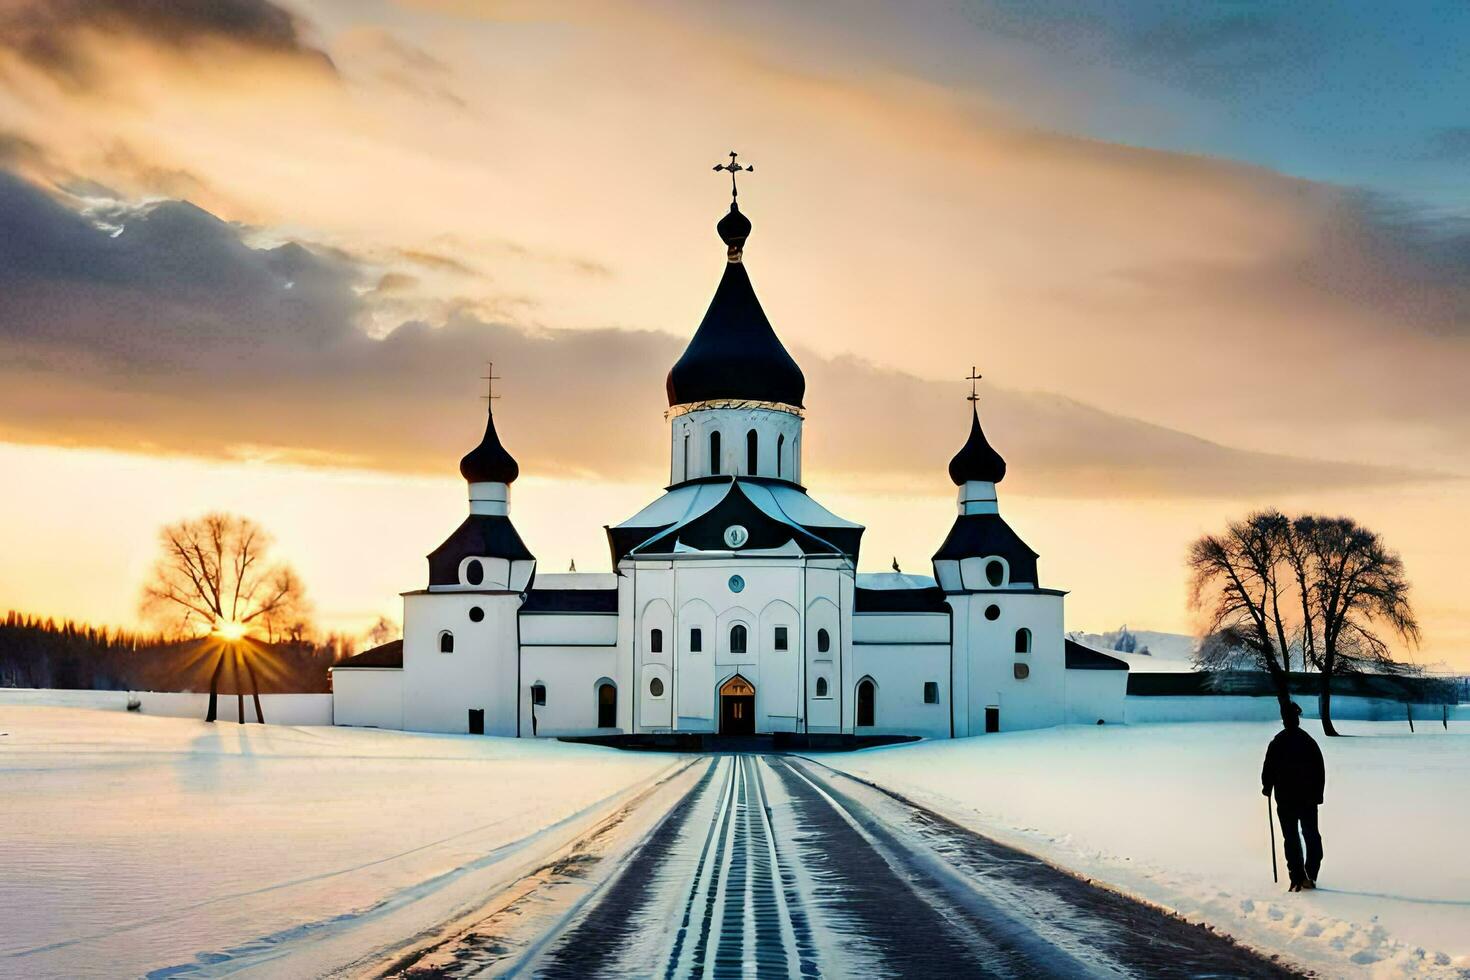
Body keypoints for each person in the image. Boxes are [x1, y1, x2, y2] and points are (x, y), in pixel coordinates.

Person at [1261, 702, 1326, 892]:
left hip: (1287, 798)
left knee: (1292, 837)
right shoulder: (1307, 741)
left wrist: (1267, 786)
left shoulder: (1278, 742)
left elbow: (1268, 769)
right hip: (1305, 799)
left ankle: (1298, 876)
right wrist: (1317, 795)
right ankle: (1308, 875)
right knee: (1309, 835)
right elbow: (1319, 770)